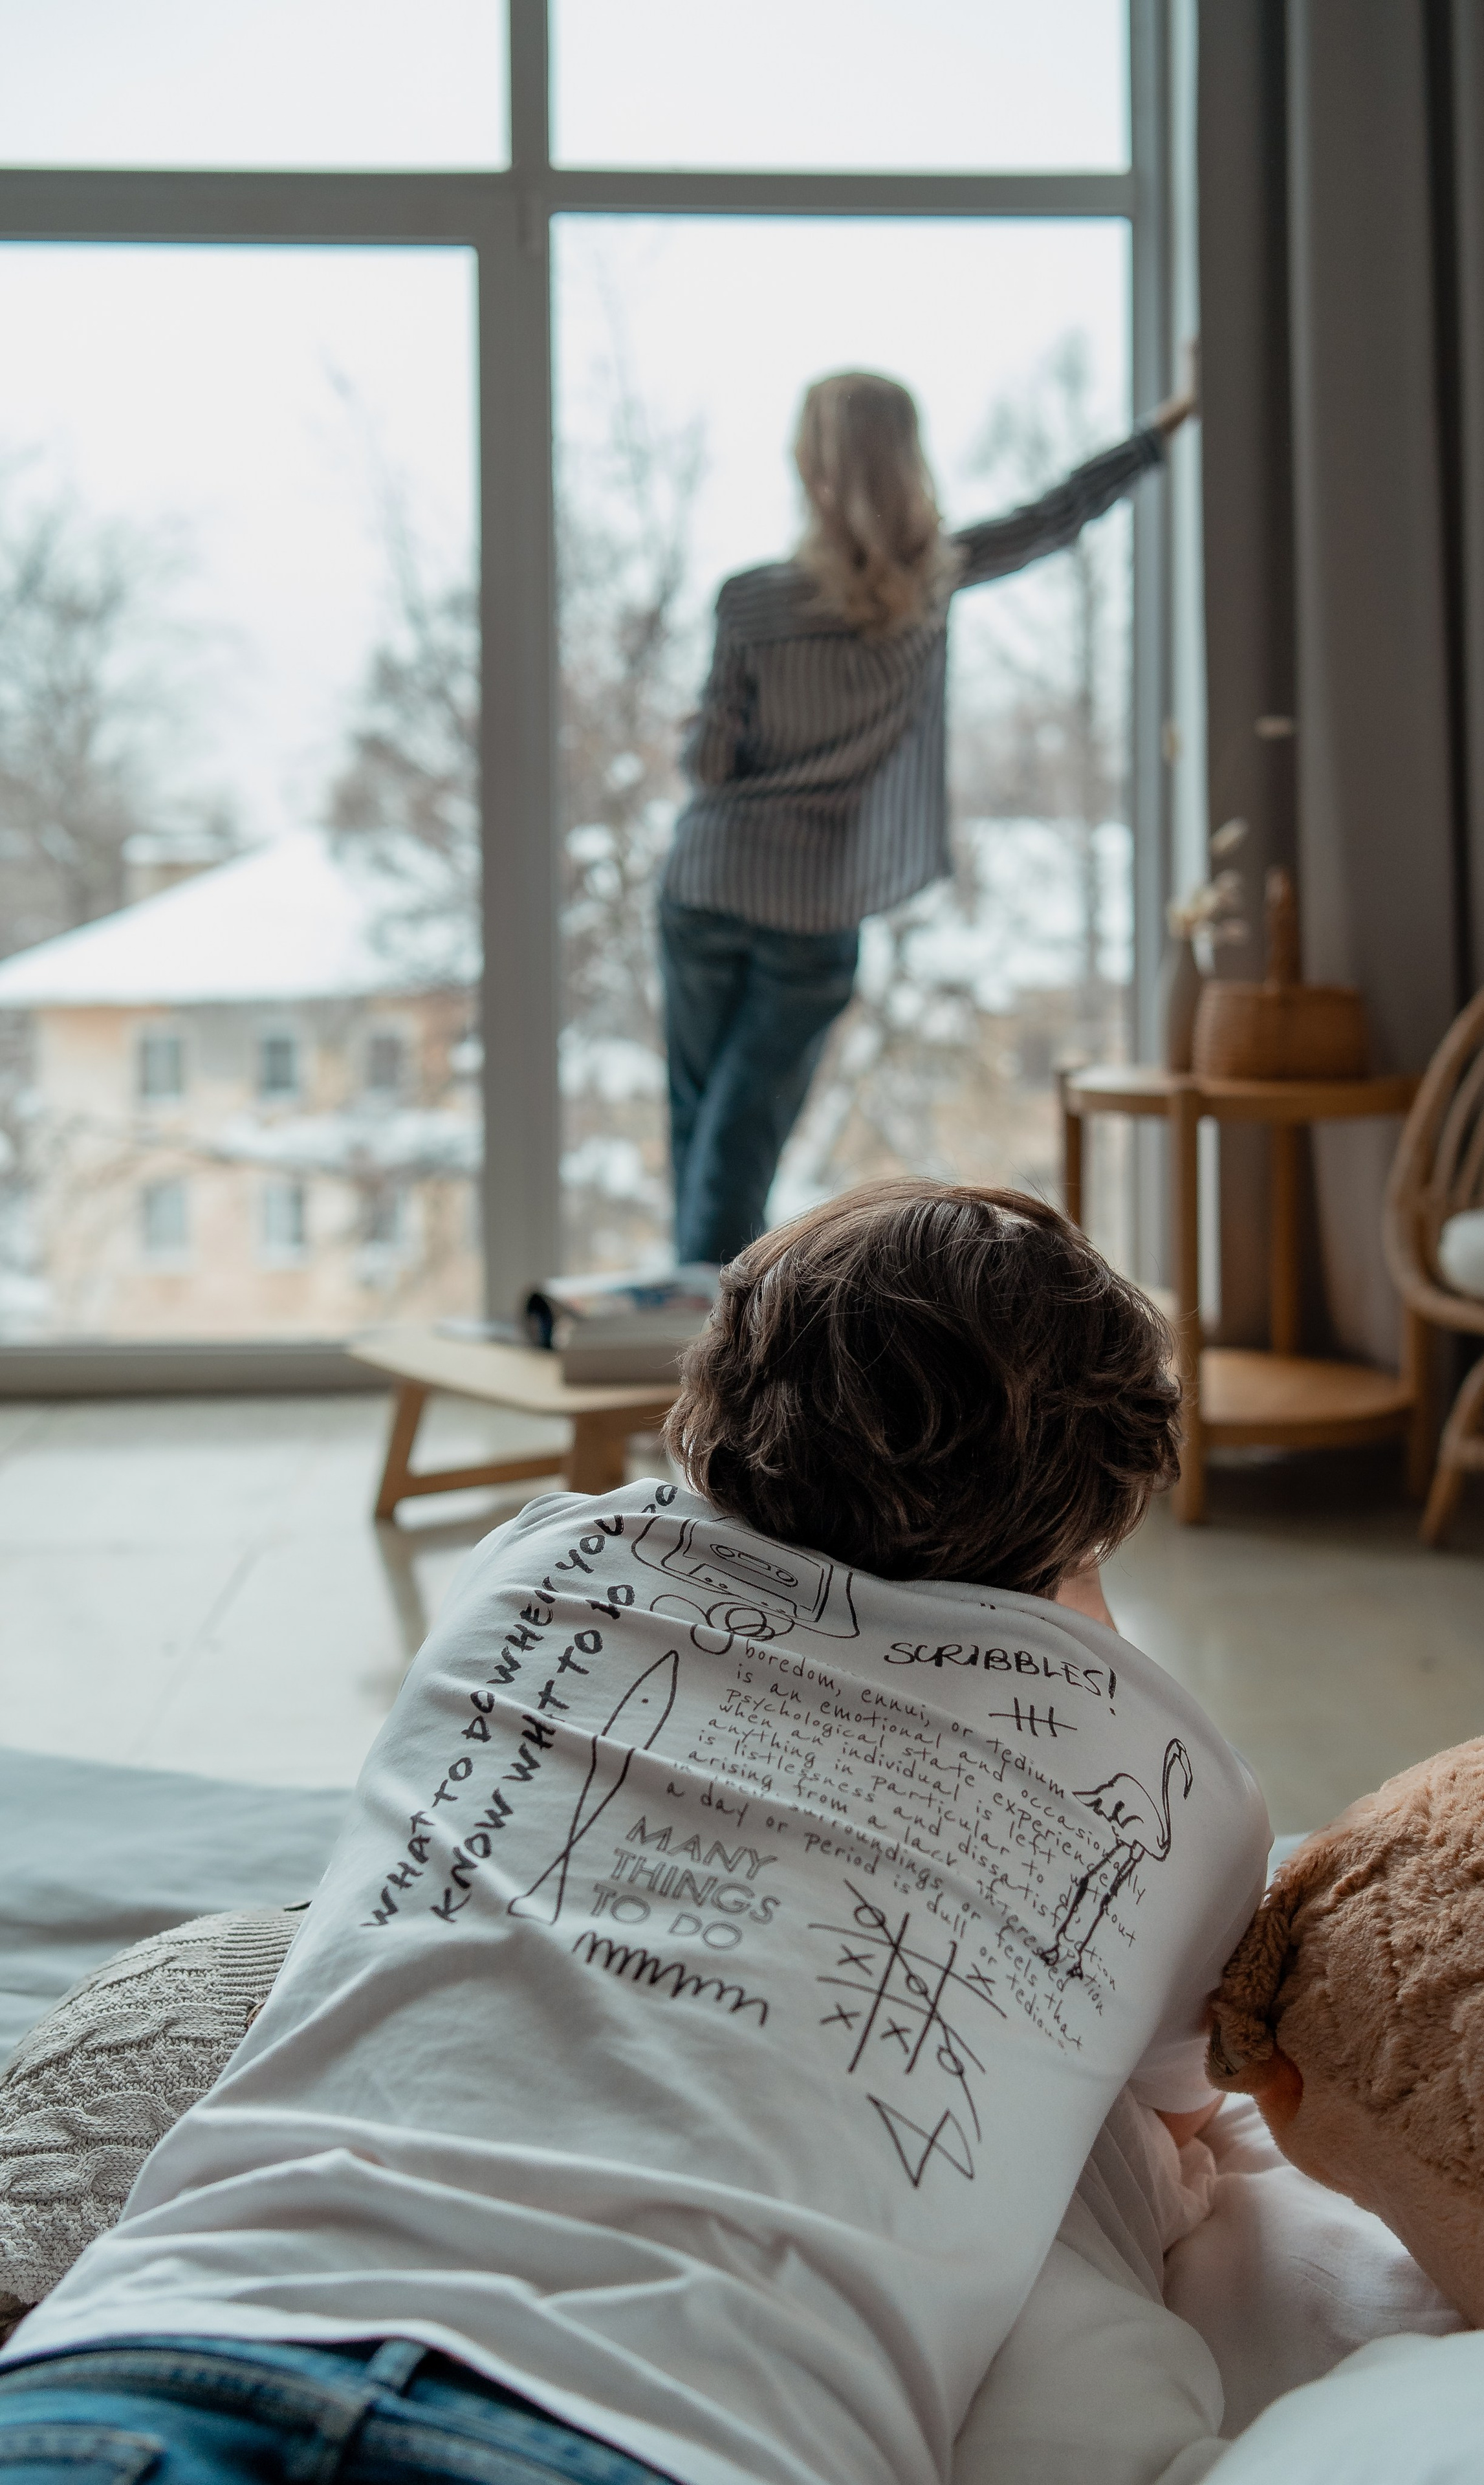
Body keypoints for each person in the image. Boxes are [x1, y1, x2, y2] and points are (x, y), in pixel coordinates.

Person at [0, 1180, 1266, 2485]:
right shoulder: (1182, 1789)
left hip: (158, 2348)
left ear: (713, 1390)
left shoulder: (536, 1565)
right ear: (1111, 1486)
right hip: (656, 2428)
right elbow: (1168, 2128)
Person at [660, 365, 1198, 1267]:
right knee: (742, 1134)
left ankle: (698, 1362)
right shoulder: (932, 582)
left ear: (811, 467)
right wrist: (1156, 436)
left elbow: (711, 762)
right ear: (905, 462)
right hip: (818, 902)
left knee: (702, 1127)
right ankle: (713, 1357)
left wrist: (696, 735)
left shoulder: (750, 599)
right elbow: (1057, 513)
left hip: (709, 880)